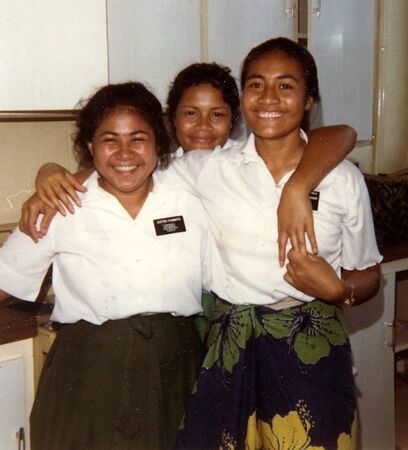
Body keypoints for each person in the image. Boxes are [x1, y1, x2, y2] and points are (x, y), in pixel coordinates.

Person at [169, 37, 382, 449]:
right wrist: (53, 176)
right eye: (255, 84)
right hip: (231, 345)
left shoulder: (342, 180)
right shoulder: (209, 167)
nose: (269, 97)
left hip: (312, 344)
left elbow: (367, 273)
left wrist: (341, 290)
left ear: (308, 100)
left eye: (286, 86)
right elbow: (129, 168)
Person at [0, 82, 211, 450]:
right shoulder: (59, 204)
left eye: (138, 138)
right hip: (87, 373)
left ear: (159, 143)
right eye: (110, 139)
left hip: (176, 370)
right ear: (90, 147)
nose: (125, 153)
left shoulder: (192, 194)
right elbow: (5, 279)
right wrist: (48, 172)